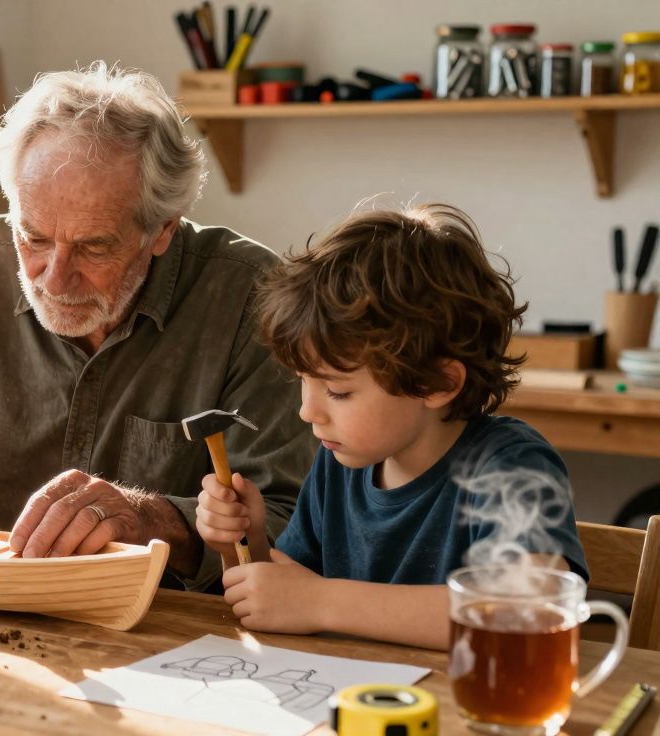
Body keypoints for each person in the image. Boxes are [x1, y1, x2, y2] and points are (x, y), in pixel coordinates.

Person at [0, 64, 314, 591]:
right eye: (33, 237)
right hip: (2, 605)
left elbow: (297, 525)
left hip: (179, 625)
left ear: (162, 230)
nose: (54, 278)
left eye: (94, 246)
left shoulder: (251, 297)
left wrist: (150, 519)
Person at [196, 203, 588, 649]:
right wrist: (247, 546)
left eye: (338, 391)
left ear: (436, 382)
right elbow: (294, 594)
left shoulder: (511, 466)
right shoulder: (339, 462)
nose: (307, 412)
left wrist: (324, 602)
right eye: (303, 382)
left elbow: (529, 611)